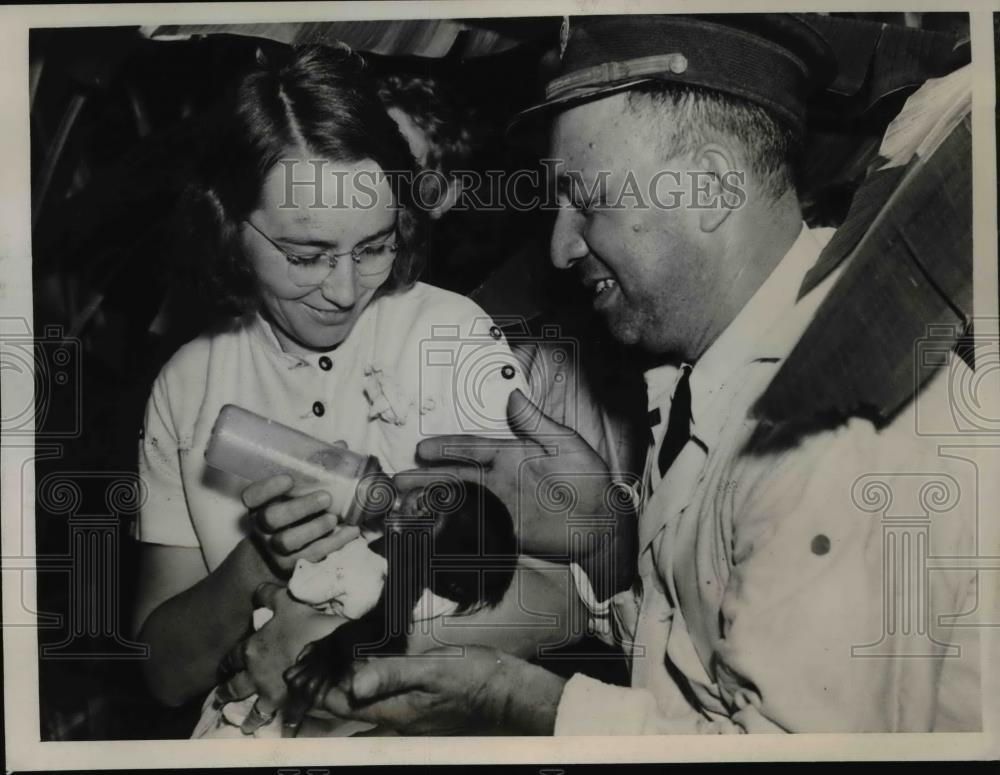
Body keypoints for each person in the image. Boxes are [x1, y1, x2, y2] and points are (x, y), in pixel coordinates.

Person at [313, 14, 982, 734]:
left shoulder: (835, 427)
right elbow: (690, 664)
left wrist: (515, 698)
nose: (562, 245)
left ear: (712, 187)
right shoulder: (715, 371)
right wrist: (604, 540)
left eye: (589, 201)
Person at [132, 43, 579, 737]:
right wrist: (259, 562)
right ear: (227, 226)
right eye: (306, 255)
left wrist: (339, 651)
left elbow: (561, 602)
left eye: (374, 246)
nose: (344, 291)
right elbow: (163, 672)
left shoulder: (450, 336)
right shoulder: (188, 383)